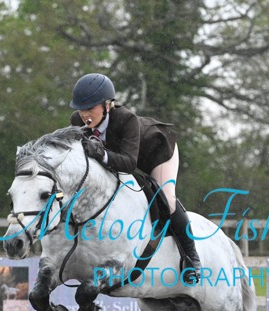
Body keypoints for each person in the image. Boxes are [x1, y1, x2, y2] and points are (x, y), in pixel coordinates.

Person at [69, 73, 201, 284]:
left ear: (107, 105)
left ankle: (192, 258)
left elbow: (129, 163)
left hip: (157, 153)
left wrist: (101, 154)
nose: (84, 115)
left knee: (166, 198)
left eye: (90, 108)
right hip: (122, 159)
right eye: (80, 109)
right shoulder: (77, 121)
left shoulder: (126, 119)